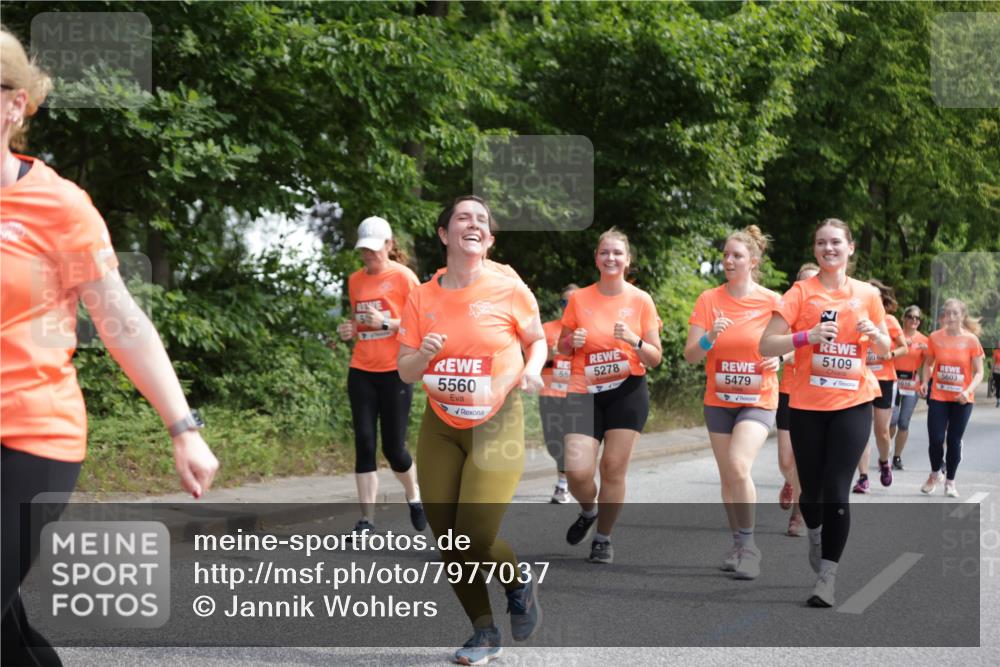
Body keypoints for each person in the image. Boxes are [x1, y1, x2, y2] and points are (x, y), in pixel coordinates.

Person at [1, 28, 219, 665]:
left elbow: (120, 319)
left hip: (31, 436)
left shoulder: (59, 206)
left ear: (16, 105)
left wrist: (183, 427)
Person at [397, 195, 546, 665]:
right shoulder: (422, 297)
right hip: (440, 423)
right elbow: (404, 370)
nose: (474, 224)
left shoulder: (509, 288)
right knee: (451, 542)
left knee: (475, 537)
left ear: (489, 239)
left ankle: (518, 581)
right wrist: (424, 355)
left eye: (482, 220)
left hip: (496, 419)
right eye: (464, 217)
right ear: (445, 235)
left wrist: (532, 369)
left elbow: (536, 340)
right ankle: (484, 632)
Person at [760, 218, 892, 608]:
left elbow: (885, 349)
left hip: (854, 402)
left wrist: (875, 332)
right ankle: (816, 534)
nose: (829, 248)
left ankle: (827, 577)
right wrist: (807, 336)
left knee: (837, 492)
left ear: (851, 248)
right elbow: (766, 345)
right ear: (815, 249)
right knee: (812, 494)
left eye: (836, 242)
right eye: (821, 243)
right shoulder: (800, 293)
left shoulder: (867, 294)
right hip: (805, 406)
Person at [558, 228, 662, 565]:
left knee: (613, 468)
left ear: (627, 259)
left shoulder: (641, 300)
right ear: (596, 258)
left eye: (617, 253)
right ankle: (588, 510)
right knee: (577, 470)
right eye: (605, 252)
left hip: (626, 391)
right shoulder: (580, 299)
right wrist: (571, 342)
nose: (611, 258)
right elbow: (561, 344)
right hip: (583, 390)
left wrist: (633, 340)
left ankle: (603, 538)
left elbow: (655, 357)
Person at [684, 226, 781, 579]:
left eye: (736, 255)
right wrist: (710, 336)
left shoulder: (773, 301)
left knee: (739, 466)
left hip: (758, 397)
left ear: (753, 261)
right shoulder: (709, 300)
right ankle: (739, 544)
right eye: (725, 254)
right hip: (719, 398)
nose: (728, 260)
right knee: (728, 477)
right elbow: (692, 355)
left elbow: (795, 343)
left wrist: (780, 359)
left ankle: (751, 547)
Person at [337, 216, 425, 535]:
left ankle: (414, 497)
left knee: (394, 448)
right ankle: (366, 520)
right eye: (365, 251)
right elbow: (359, 320)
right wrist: (351, 329)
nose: (369, 256)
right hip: (361, 369)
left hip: (395, 371)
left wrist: (385, 323)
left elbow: (421, 326)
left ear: (389, 245)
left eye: (375, 250)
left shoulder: (404, 278)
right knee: (363, 440)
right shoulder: (355, 280)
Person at [918, 298, 984, 498]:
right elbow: (928, 364)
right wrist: (924, 382)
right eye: (947, 313)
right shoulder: (935, 337)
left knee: (954, 440)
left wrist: (968, 391)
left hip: (962, 399)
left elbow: (979, 372)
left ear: (962, 316)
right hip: (939, 395)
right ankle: (935, 473)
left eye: (955, 313)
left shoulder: (971, 340)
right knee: (936, 439)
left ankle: (950, 482)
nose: (951, 317)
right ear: (943, 316)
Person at [775, 262, 820, 537]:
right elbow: (777, 345)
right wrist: (783, 355)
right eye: (803, 283)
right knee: (785, 460)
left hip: (815, 394)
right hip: (789, 390)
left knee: (804, 459)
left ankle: (798, 515)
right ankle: (789, 481)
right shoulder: (786, 315)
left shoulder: (829, 317)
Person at [852, 279, 907, 493]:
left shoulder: (890, 320)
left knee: (882, 431)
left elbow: (903, 348)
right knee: (861, 431)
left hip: (884, 380)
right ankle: (863, 477)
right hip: (861, 378)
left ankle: (885, 462)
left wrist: (889, 354)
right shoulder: (855, 317)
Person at [539, 284, 579, 503]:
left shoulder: (587, 330)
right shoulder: (547, 329)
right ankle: (567, 480)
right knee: (554, 440)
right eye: (564, 302)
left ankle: (564, 485)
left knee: (574, 441)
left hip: (577, 393)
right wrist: (550, 354)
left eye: (573, 302)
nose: (568, 306)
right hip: (550, 392)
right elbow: (531, 362)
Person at [889, 305, 929, 470]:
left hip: (912, 383)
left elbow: (928, 364)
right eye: (911, 317)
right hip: (893, 380)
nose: (914, 320)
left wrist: (925, 382)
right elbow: (886, 354)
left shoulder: (924, 340)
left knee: (904, 422)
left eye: (917, 318)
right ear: (904, 319)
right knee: (892, 420)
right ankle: (886, 451)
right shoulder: (895, 336)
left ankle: (897, 457)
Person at [991, 342, 1000, 407]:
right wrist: (991, 372)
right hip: (996, 372)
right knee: (997, 386)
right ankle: (998, 400)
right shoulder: (995, 352)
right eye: (998, 344)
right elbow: (993, 362)